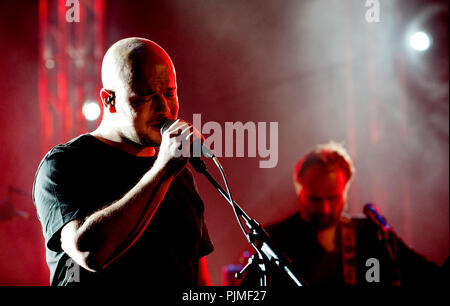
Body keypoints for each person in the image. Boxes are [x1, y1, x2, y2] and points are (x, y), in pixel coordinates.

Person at [32, 37, 214, 286]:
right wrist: (161, 170)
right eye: (147, 96)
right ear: (109, 100)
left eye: (169, 93)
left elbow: (198, 280)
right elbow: (89, 253)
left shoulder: (180, 176)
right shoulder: (64, 164)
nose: (165, 107)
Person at [240, 141, 441, 287]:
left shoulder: (372, 234)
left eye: (333, 199)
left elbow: (426, 274)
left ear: (346, 189)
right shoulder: (274, 239)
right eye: (315, 199)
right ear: (298, 188)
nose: (325, 209)